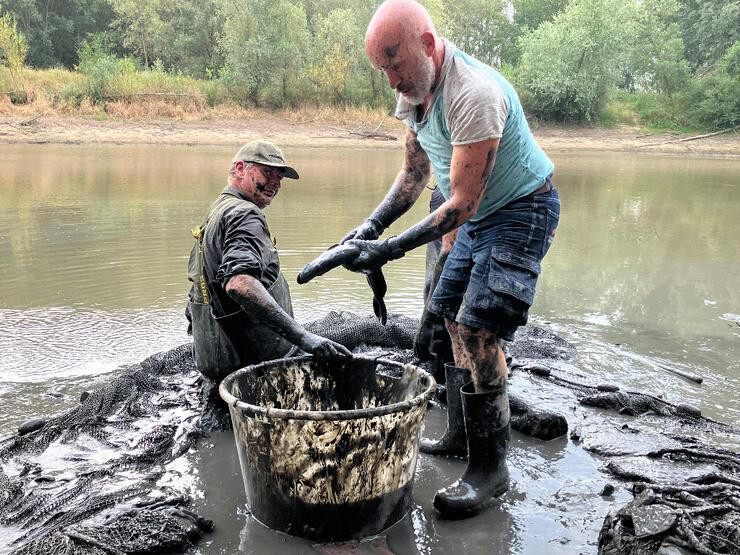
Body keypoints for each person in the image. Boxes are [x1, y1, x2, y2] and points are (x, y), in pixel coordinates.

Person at [337, 0, 560, 518]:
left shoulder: (474, 94)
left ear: (429, 43)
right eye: (382, 68)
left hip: (521, 209)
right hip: (475, 214)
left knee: (480, 329)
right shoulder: (413, 93)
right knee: (449, 322)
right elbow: (416, 175)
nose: (391, 79)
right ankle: (461, 435)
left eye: (396, 61)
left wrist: (388, 250)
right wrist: (372, 226)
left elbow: (461, 202)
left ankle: (491, 471)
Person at [187, 140, 350, 386]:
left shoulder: (216, 211)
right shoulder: (245, 213)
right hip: (255, 368)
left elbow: (198, 290)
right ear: (240, 169)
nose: (275, 183)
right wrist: (305, 339)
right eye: (268, 172)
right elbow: (239, 284)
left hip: (217, 366)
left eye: (280, 177)